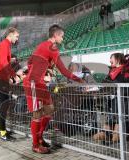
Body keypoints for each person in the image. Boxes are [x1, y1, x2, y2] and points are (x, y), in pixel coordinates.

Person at [23, 24, 83, 154]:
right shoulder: (53, 48)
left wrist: (44, 69)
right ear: (55, 36)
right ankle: (35, 144)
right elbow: (64, 71)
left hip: (39, 82)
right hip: (33, 83)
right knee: (37, 114)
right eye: (62, 36)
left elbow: (29, 62)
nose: (63, 38)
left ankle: (39, 137)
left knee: (49, 110)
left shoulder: (41, 45)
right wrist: (80, 80)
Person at [0, 27, 20, 141]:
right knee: (4, 105)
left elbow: (3, 62)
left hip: (0, 79)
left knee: (4, 104)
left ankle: (0, 127)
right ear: (10, 34)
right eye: (16, 36)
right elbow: (3, 63)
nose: (17, 39)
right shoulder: (4, 45)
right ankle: (3, 133)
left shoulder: (5, 45)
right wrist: (14, 75)